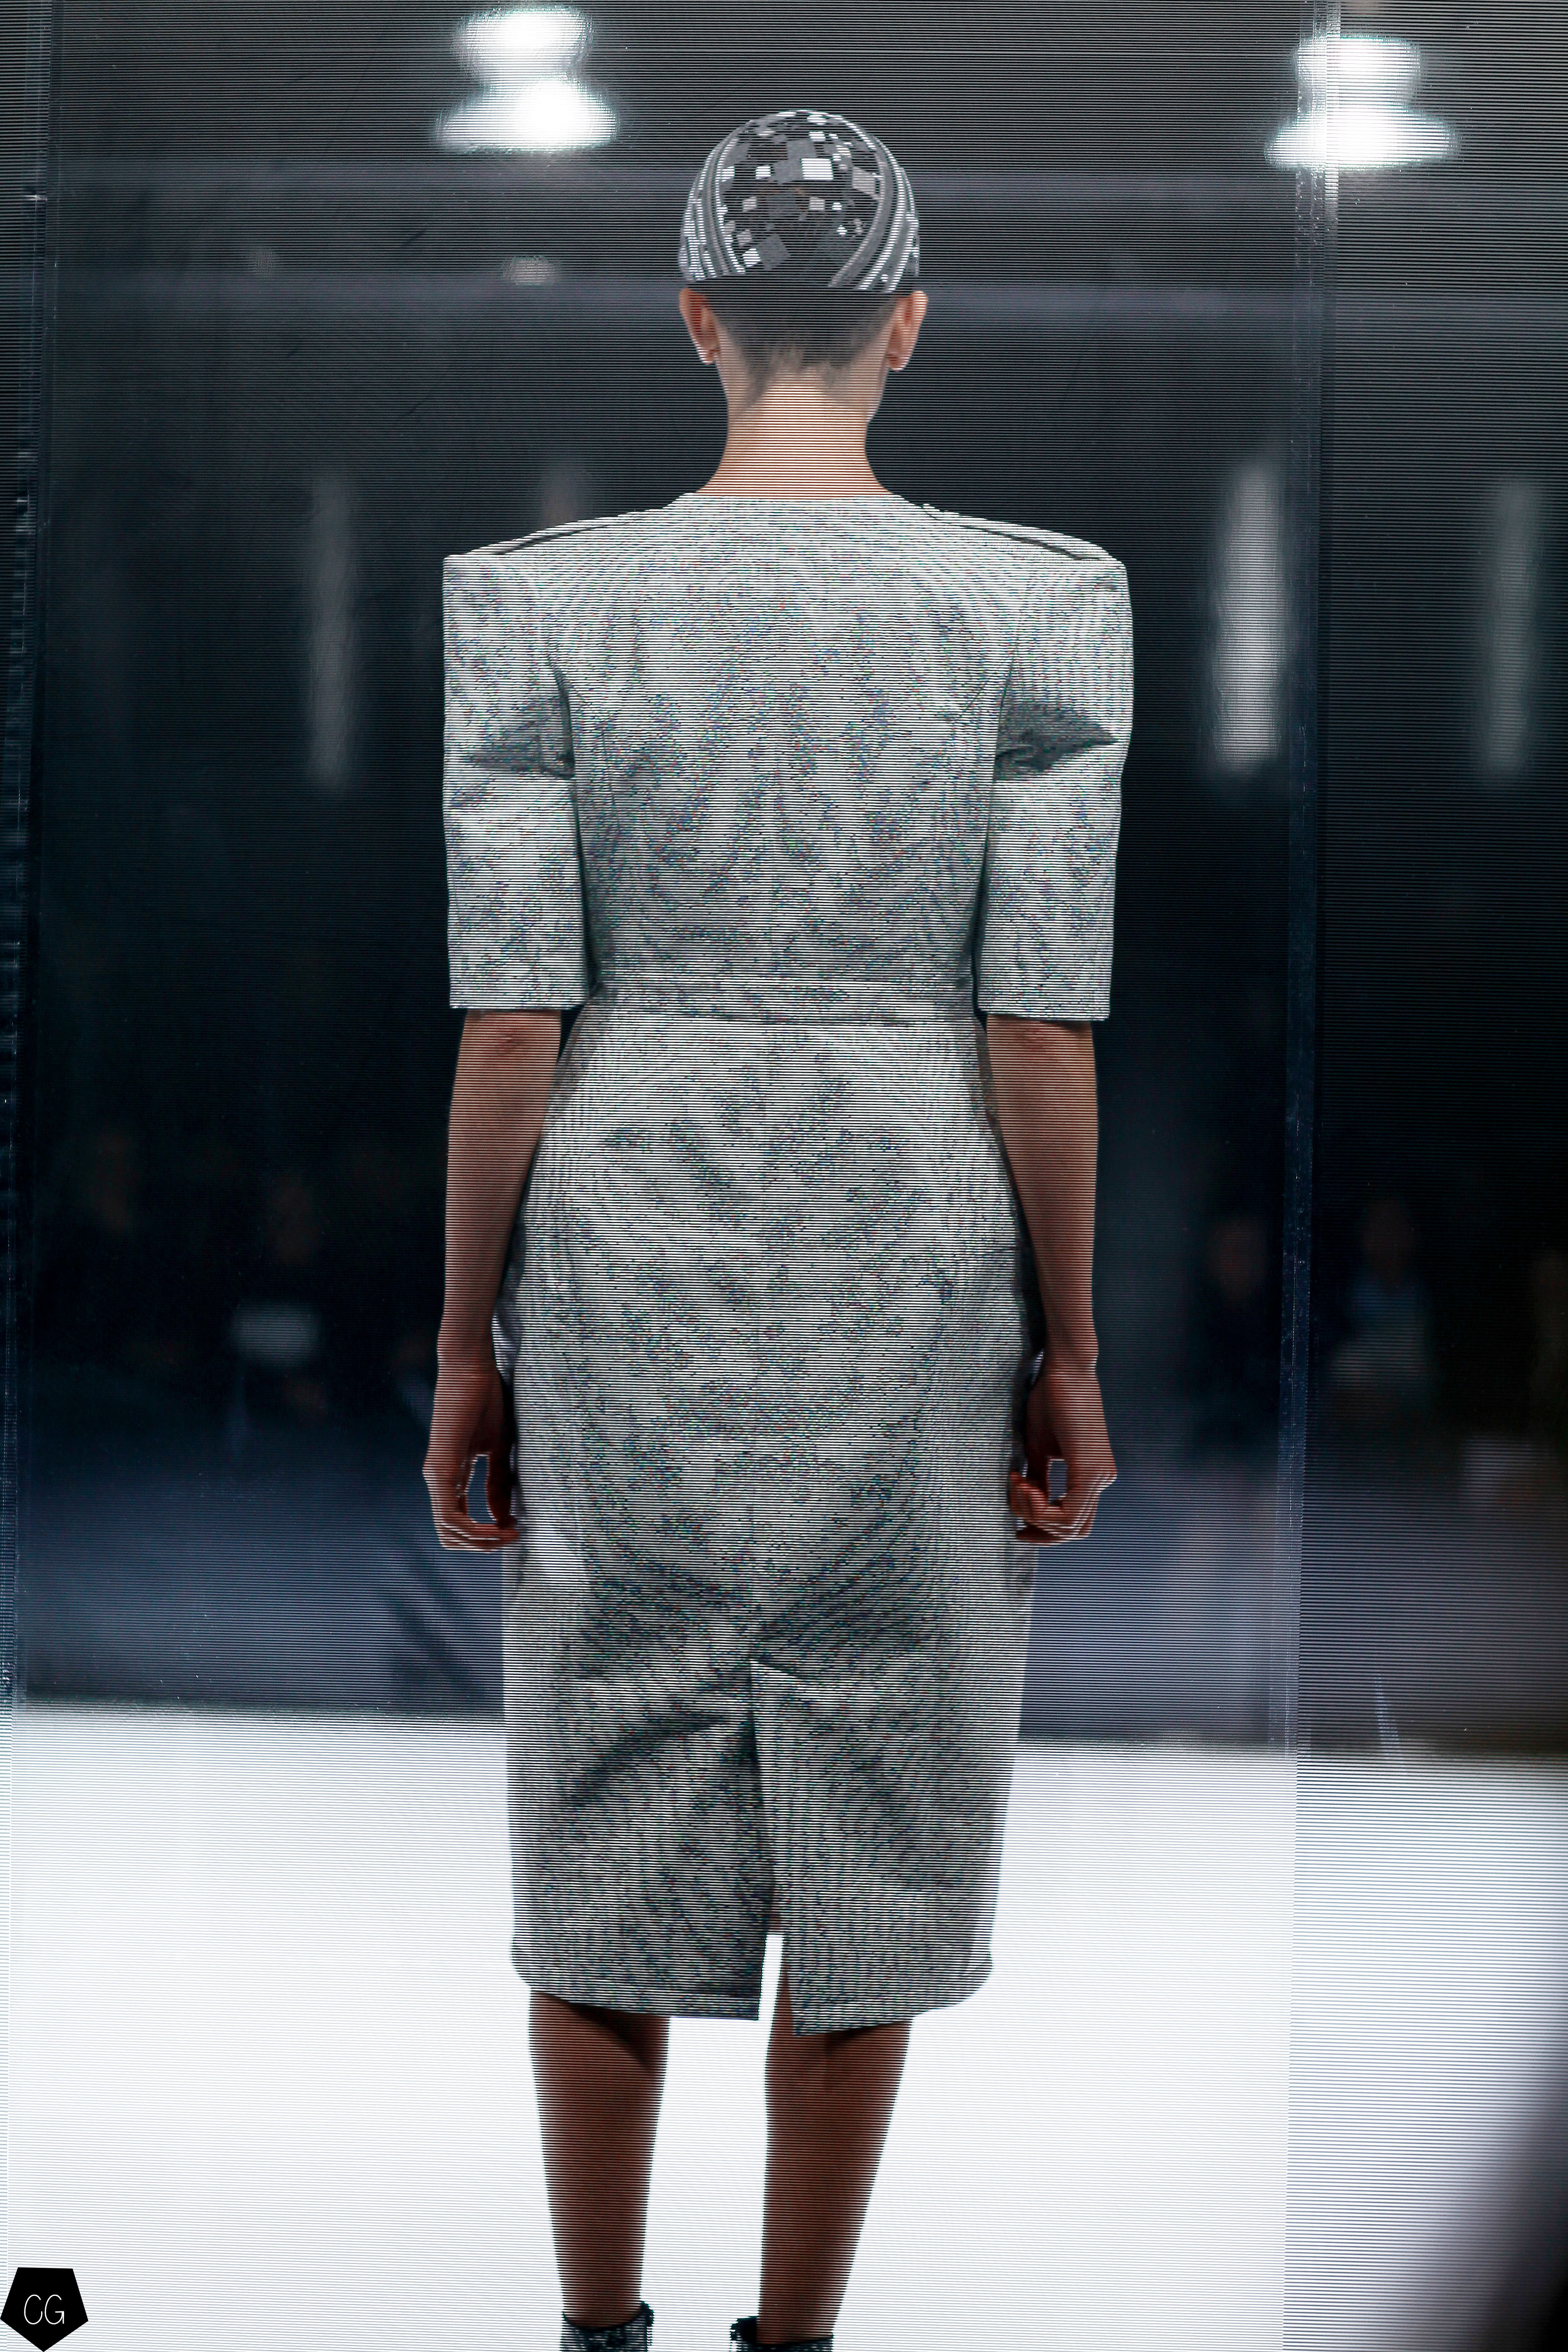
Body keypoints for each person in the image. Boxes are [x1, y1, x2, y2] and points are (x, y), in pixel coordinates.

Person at [423, 108, 1133, 2352]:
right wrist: (1072, 1348)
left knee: (605, 1796)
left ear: (695, 320)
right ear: (906, 325)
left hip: (621, 1237)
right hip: (914, 1246)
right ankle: (796, 2345)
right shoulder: (1037, 603)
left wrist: (462, 1347)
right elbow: (1040, 1030)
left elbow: (511, 1027)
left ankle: (598, 2335)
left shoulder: (538, 601)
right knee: (878, 1807)